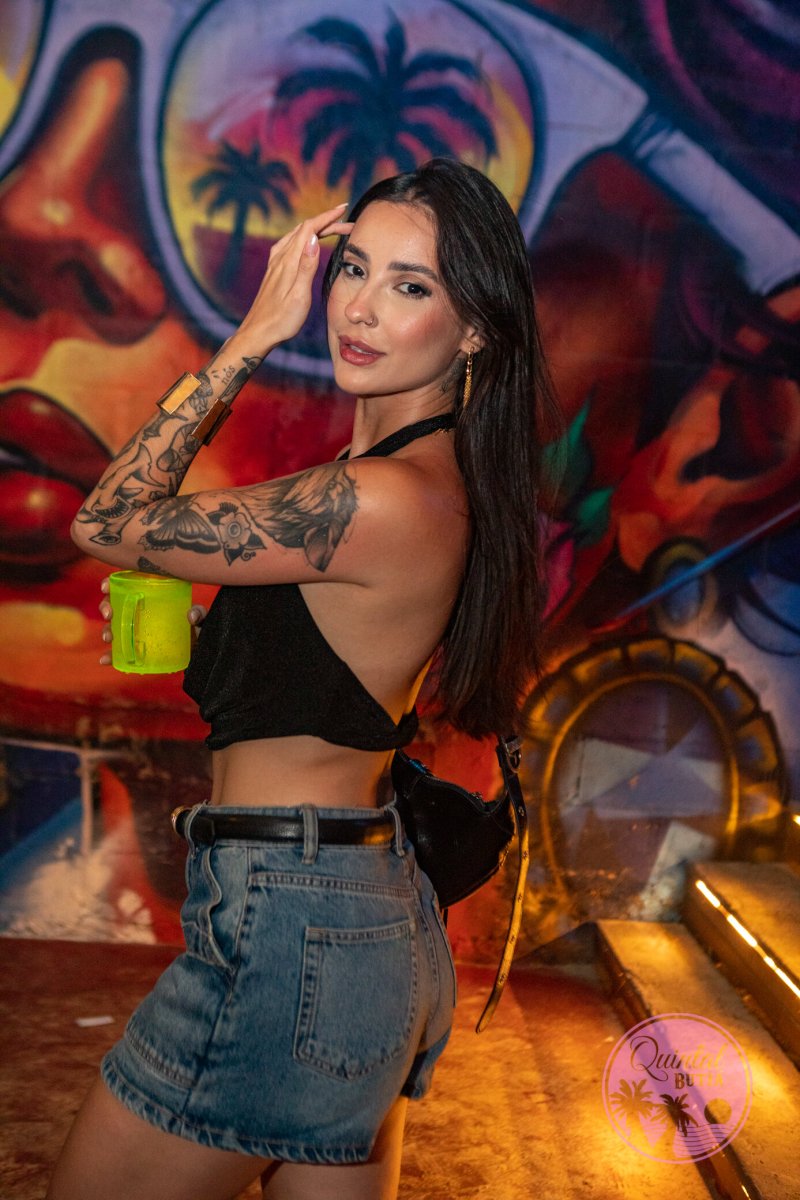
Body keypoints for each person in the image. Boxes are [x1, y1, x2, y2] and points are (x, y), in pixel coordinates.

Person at [48, 158, 558, 1200]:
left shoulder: (377, 498)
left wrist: (247, 339)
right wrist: (222, 641)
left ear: (473, 331)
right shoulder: (425, 483)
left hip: (292, 931)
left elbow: (106, 520)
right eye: (353, 268)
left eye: (409, 286)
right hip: (356, 918)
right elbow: (332, 680)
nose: (359, 308)